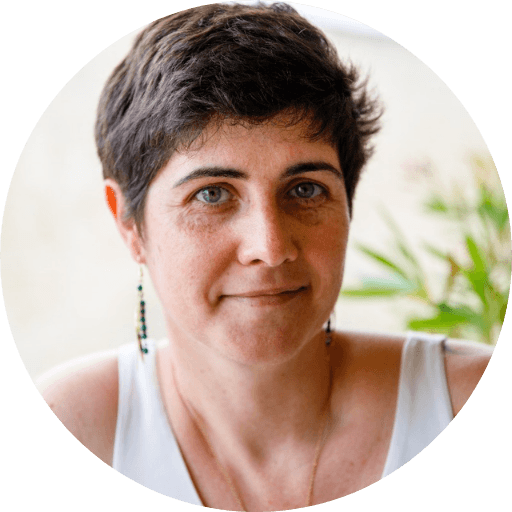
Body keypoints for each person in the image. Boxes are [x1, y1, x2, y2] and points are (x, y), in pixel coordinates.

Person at [39, 3, 492, 510]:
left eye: (305, 189)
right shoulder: (67, 430)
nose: (271, 248)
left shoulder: (471, 405)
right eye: (212, 194)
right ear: (129, 223)